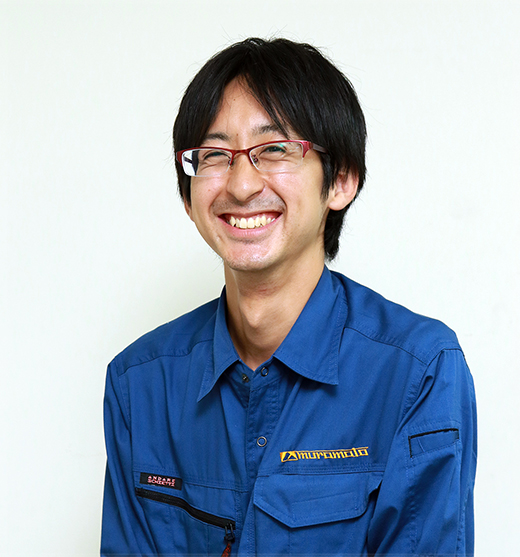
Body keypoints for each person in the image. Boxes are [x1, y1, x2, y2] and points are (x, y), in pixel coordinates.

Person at [101, 37, 477, 556]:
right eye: (215, 155)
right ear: (188, 196)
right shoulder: (140, 384)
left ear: (341, 180)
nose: (240, 185)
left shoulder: (418, 372)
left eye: (274, 149)